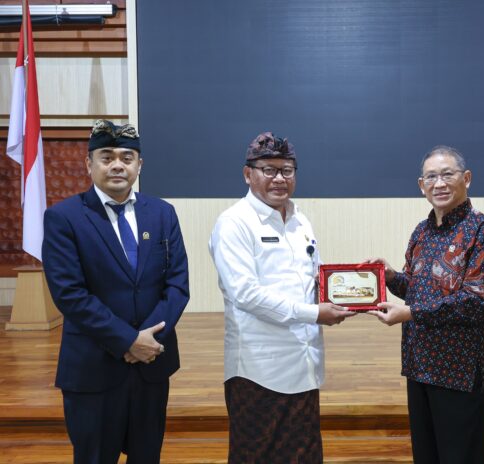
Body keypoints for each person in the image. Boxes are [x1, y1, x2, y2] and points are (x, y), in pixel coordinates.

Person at [42, 119, 190, 464]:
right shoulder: (64, 217)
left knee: (147, 457)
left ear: (140, 165)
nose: (117, 165)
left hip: (152, 364)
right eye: (106, 157)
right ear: (89, 164)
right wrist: (128, 341)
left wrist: (147, 341)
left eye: (127, 157)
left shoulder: (162, 213)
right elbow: (70, 294)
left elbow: (177, 284)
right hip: (94, 368)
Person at [208, 131, 355, 463]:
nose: (279, 178)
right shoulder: (233, 223)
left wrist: (351, 290)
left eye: (286, 170)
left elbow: (314, 277)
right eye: (269, 170)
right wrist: (315, 313)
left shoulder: (300, 220)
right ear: (248, 174)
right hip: (259, 371)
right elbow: (245, 294)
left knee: (305, 456)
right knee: (256, 456)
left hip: (304, 365)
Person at [366, 145, 484, 463]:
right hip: (419, 365)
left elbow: (477, 302)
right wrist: (389, 276)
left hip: (460, 371)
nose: (439, 183)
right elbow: (416, 291)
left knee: (462, 457)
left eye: (447, 175)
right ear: (421, 185)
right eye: (431, 177)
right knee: (426, 455)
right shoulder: (422, 232)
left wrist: (410, 313)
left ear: (466, 178)